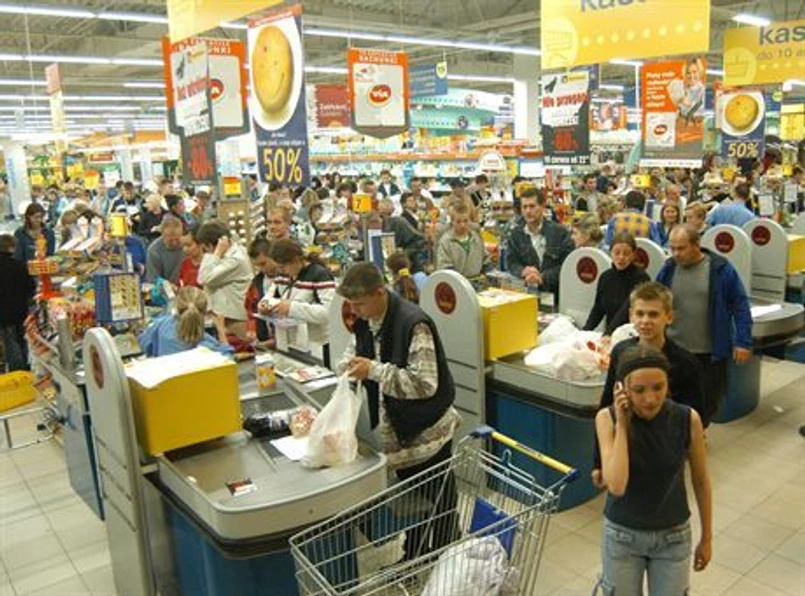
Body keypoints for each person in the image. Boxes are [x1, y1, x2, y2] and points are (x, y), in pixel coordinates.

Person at [336, 263, 460, 559]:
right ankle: (414, 554)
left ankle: (447, 558)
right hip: (401, 433)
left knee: (439, 501)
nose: (355, 310)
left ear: (380, 292)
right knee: (413, 503)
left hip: (427, 432)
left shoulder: (414, 323)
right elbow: (354, 352)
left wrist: (373, 370)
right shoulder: (366, 320)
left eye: (360, 303)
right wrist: (347, 367)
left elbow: (425, 384)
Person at [595, 345, 712, 596]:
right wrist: (623, 426)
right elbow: (616, 485)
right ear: (622, 389)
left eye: (658, 387)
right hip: (622, 536)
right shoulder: (607, 419)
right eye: (639, 390)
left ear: (668, 384)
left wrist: (707, 537)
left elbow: (701, 480)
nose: (650, 398)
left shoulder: (687, 419)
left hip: (673, 536)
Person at [658, 225, 752, 423]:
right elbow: (654, 299)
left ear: (696, 245)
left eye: (681, 248)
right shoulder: (668, 268)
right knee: (673, 405)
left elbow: (740, 304)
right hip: (674, 351)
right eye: (672, 248)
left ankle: (698, 432)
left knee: (706, 404)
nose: (676, 254)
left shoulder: (720, 269)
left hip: (709, 355)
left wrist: (743, 341)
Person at [267, 238, 336, 365]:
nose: (281, 271)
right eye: (278, 267)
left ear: (296, 260)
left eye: (283, 267)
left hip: (317, 345)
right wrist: (266, 304)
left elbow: (327, 313)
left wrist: (292, 308)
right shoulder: (283, 276)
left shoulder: (319, 275)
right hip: (290, 342)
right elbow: (270, 296)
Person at [505, 187, 574, 294]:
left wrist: (543, 277)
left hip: (556, 292)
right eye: (524, 207)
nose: (528, 211)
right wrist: (523, 271)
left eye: (532, 206)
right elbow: (511, 262)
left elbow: (568, 264)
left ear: (542, 207)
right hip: (527, 293)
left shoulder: (560, 232)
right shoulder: (516, 234)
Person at [584, 233, 650, 336]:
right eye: (617, 253)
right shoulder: (605, 277)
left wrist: (608, 333)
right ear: (610, 253)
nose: (621, 257)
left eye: (626, 254)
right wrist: (584, 332)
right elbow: (598, 309)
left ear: (633, 255)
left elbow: (625, 311)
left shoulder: (641, 279)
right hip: (610, 334)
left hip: (632, 334)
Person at [196, 220, 253, 339]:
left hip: (233, 319)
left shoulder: (236, 259)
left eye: (205, 249)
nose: (206, 254)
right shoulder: (228, 254)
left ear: (213, 245)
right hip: (219, 316)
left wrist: (216, 253)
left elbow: (203, 278)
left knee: (234, 349)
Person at [138, 286, 233, 357]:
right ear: (205, 311)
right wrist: (221, 331)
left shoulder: (162, 324)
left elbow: (143, 343)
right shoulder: (205, 342)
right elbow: (229, 362)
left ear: (177, 306)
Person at [0, 234, 36, 371]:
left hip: (3, 312)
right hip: (20, 308)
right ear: (12, 248)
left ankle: (17, 370)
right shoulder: (20, 265)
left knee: (10, 341)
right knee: (23, 338)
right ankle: (28, 366)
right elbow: (31, 287)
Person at [435, 203, 491, 279]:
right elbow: (444, 268)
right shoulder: (446, 242)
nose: (462, 225)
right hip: (455, 282)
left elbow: (486, 261)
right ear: (452, 222)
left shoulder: (476, 238)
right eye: (458, 222)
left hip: (478, 281)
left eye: (465, 221)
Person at [245, 235, 277, 345]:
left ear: (273, 257)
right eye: (257, 265)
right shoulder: (255, 283)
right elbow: (250, 311)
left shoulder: (287, 280)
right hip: (264, 339)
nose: (261, 268)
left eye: (263, 263)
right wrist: (251, 330)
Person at [145, 216, 185, 284]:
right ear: (162, 235)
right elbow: (153, 279)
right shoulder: (154, 251)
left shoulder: (187, 245)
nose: (174, 242)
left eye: (177, 239)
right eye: (170, 240)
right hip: (163, 287)